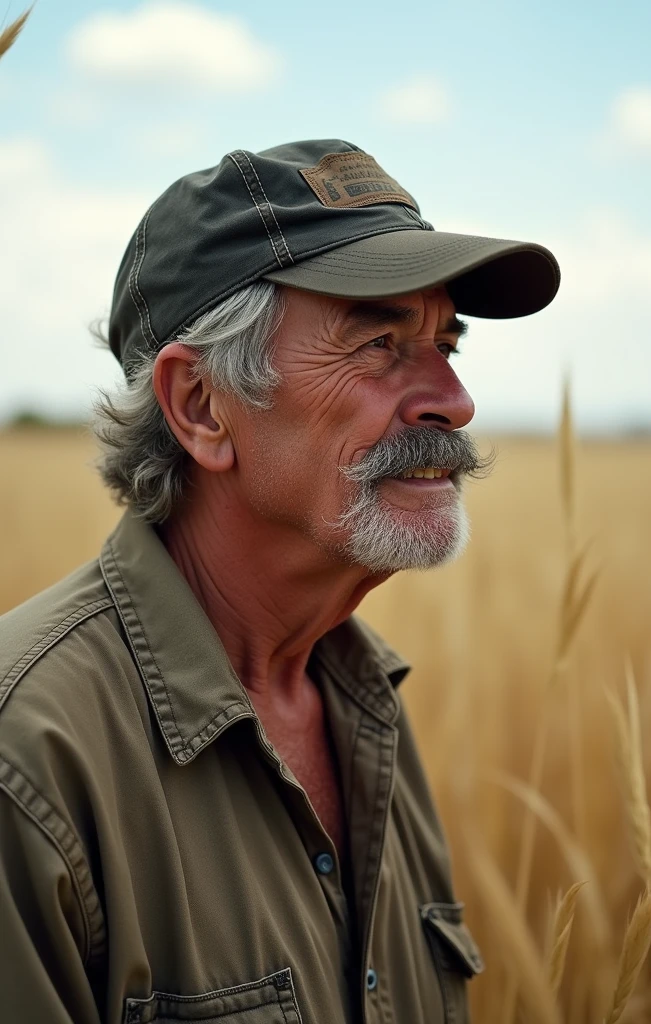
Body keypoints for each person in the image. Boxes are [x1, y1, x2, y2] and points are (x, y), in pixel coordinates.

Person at [0, 139, 560, 1024]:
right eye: (378, 342)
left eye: (446, 342)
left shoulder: (363, 700)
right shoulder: (27, 755)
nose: (453, 400)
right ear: (200, 405)